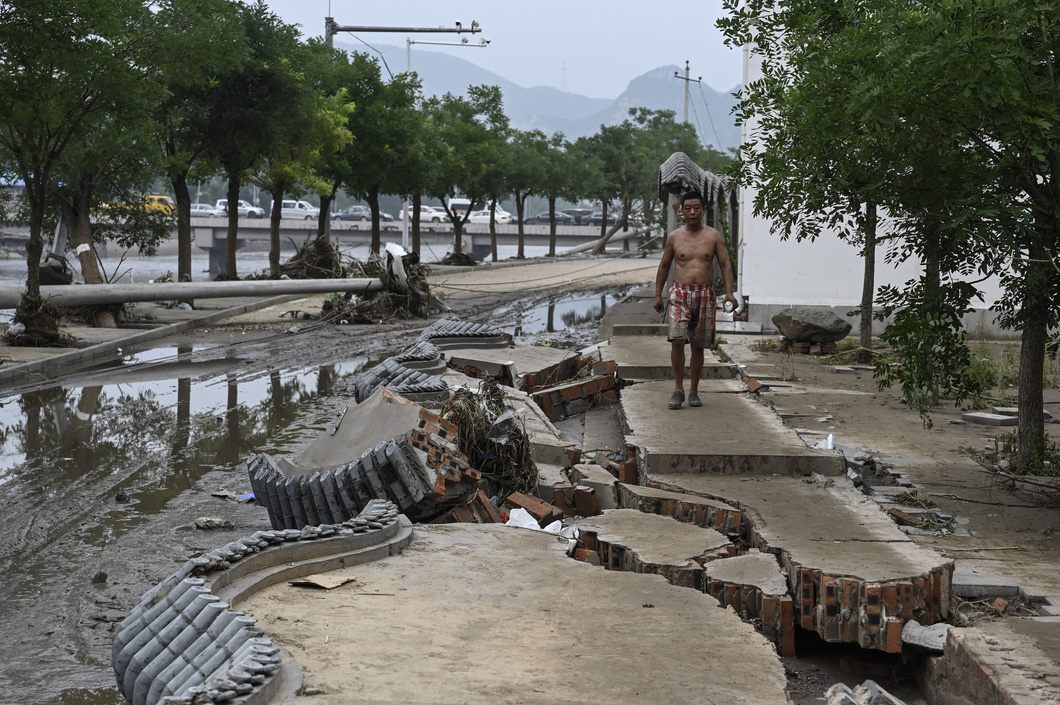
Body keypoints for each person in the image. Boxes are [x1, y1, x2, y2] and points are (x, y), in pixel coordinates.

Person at [653, 190, 737, 409]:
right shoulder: (674, 237)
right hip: (679, 293)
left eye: (696, 208)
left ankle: (693, 391)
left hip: (705, 294)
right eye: (687, 208)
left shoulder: (713, 236)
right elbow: (664, 265)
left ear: (703, 210)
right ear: (681, 211)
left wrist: (729, 292)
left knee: (699, 345)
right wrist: (658, 294)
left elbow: (726, 264)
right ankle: (678, 389)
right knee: (678, 339)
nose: (692, 212)